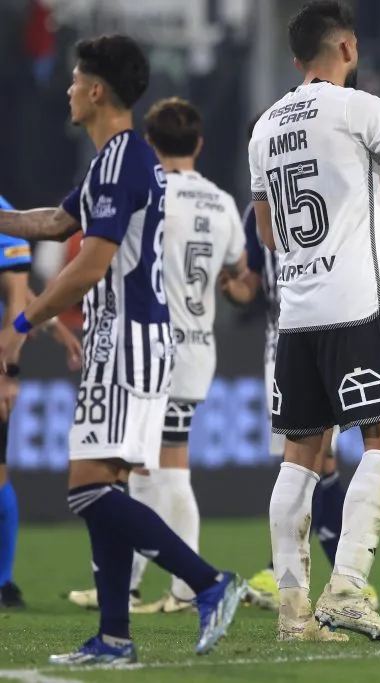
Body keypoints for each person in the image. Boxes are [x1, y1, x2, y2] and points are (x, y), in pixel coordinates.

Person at [0, 34, 245, 665]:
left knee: (88, 489)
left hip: (128, 340)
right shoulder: (116, 160)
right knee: (104, 487)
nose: (68, 90)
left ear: (96, 90)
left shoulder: (121, 160)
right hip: (126, 338)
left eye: (74, 80)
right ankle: (114, 638)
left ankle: (209, 582)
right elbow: (55, 223)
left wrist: (21, 323)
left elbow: (90, 265)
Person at [248, 0, 380, 642]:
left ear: (297, 59)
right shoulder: (357, 107)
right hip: (357, 305)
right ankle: (345, 591)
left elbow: (269, 232)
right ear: (346, 48)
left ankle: (293, 614)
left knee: (301, 457)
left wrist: (358, 193)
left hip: (297, 313)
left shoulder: (264, 127)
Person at [66, 97, 251, 614]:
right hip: (199, 348)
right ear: (199, 144)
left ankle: (189, 589)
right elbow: (238, 274)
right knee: (151, 467)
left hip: (150, 346)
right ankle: (131, 585)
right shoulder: (220, 201)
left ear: (149, 142)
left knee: (156, 469)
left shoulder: (147, 190)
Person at [221, 167, 380, 620]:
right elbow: (252, 283)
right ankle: (340, 582)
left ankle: (294, 587)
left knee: (308, 459)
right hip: (329, 328)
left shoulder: (269, 206)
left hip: (295, 334)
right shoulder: (327, 187)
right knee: (322, 458)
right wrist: (233, 288)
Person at [0, 195, 82, 610]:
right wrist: (55, 327)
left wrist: (6, 373)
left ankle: (3, 582)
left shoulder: (4, 217)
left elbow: (16, 294)